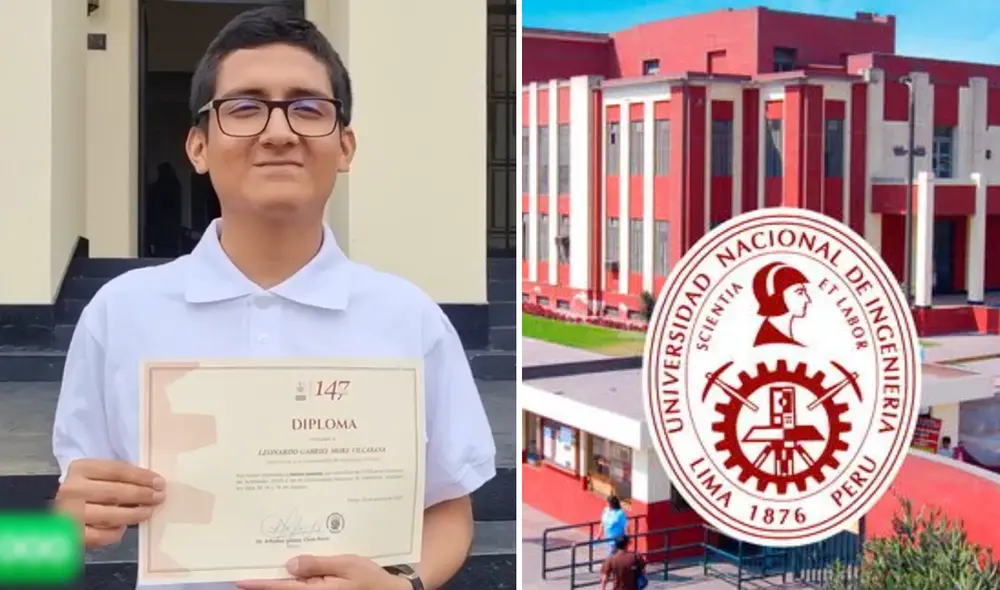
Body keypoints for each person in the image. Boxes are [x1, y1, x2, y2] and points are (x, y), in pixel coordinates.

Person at [51, 7, 496, 590]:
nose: (279, 132)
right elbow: (51, 536)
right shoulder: (119, 313)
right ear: (198, 147)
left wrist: (406, 585)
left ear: (345, 146)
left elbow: (448, 505)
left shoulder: (408, 318)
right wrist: (62, 528)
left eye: (309, 108)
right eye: (244, 107)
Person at [751, 261, 812, 347]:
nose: (808, 300)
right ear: (778, 297)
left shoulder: (778, 337)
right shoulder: (772, 343)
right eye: (800, 293)